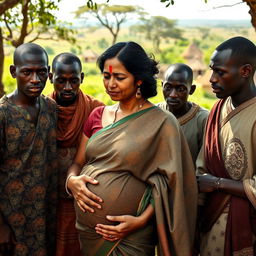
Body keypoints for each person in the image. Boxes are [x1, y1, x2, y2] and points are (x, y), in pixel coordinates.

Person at [66, 41, 197, 256]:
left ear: (138, 80)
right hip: (89, 234)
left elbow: (172, 183)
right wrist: (71, 181)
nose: (110, 84)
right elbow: (78, 163)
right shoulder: (97, 115)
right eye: (106, 76)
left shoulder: (162, 123)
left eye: (119, 77)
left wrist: (140, 221)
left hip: (133, 237)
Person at [197, 36, 256, 256]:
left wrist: (219, 183)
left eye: (220, 72)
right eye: (212, 70)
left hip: (245, 225)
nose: (211, 79)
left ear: (245, 71)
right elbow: (202, 165)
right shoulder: (217, 109)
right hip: (210, 218)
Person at [0, 43, 58, 256]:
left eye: (41, 72)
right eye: (27, 72)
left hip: (46, 218)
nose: (35, 79)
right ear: (14, 72)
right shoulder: (3, 114)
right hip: (11, 221)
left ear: (48, 72)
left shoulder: (51, 108)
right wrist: (1, 226)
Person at [48, 52, 104, 256]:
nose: (67, 87)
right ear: (50, 78)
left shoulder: (96, 110)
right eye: (61, 81)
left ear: (82, 78)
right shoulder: (42, 110)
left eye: (73, 81)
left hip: (84, 198)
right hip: (48, 199)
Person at [158, 63, 209, 164]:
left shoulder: (203, 119)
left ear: (192, 90)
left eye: (180, 89)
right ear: (162, 85)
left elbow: (204, 162)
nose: (173, 95)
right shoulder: (154, 113)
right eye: (168, 87)